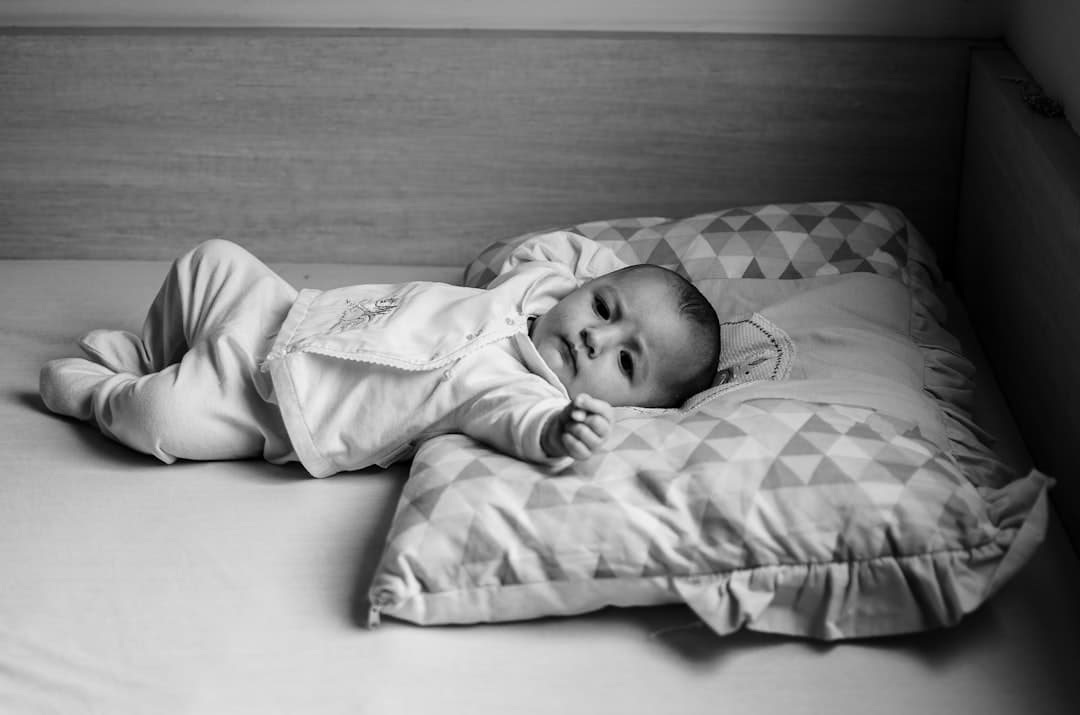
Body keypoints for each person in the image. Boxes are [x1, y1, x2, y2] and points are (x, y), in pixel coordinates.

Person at [39, 233, 722, 477]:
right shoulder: (536, 286)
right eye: (604, 307)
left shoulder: (524, 393)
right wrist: (620, 279)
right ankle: (150, 349)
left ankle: (101, 390)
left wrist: (559, 432)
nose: (596, 337)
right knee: (208, 260)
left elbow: (522, 430)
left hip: (275, 407)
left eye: (626, 363)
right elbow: (559, 248)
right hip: (281, 311)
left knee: (163, 416)